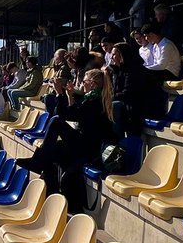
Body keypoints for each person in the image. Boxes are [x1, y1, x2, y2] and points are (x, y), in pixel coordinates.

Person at [17, 68, 117, 213]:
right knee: (52, 152)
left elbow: (65, 114)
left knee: (56, 121)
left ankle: (38, 162)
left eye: (84, 81)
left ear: (92, 84)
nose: (81, 84)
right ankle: (51, 196)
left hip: (89, 148)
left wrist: (59, 93)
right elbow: (73, 112)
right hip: (84, 142)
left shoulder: (95, 102)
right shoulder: (92, 98)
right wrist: (69, 95)